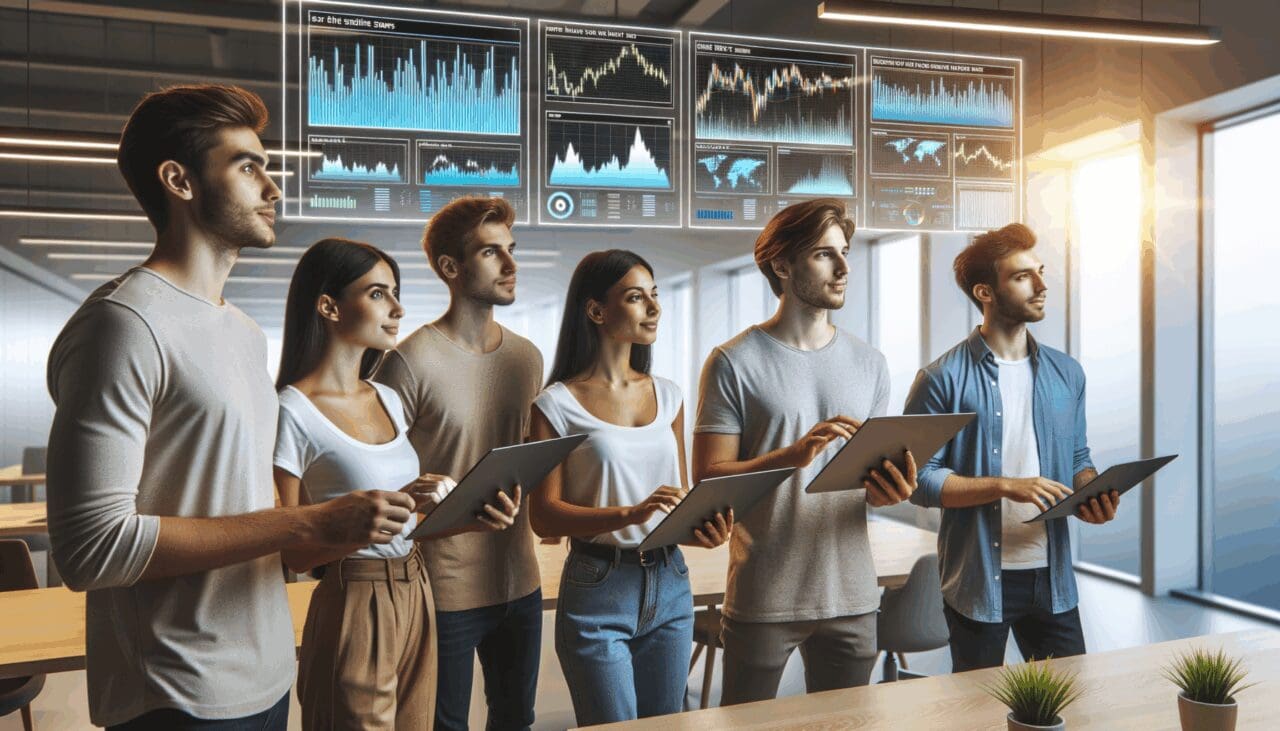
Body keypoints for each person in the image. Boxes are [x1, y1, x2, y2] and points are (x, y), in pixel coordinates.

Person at [45, 85, 415, 730]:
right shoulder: (123, 324)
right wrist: (307, 523)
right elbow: (90, 550)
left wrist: (345, 525)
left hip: (268, 671)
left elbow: (243, 510)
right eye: (247, 166)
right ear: (178, 181)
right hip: (176, 692)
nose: (273, 189)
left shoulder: (244, 332)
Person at [271, 238, 521, 729]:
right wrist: (363, 524)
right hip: (354, 599)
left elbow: (403, 525)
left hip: (418, 589)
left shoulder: (386, 397)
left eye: (395, 292)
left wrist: (465, 519)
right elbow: (291, 553)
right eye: (379, 294)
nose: (398, 308)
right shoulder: (291, 410)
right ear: (328, 306)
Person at [692, 198, 918, 705]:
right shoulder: (733, 362)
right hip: (765, 595)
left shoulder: (871, 363)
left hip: (854, 594)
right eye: (823, 254)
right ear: (782, 264)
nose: (843, 268)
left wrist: (890, 490)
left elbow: (869, 484)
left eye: (845, 252)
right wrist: (789, 457)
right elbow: (708, 480)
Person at [528, 249, 732, 725]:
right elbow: (544, 515)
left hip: (670, 582)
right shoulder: (555, 405)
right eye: (637, 298)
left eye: (655, 296)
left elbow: (675, 502)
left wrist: (703, 528)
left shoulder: (670, 395)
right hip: (598, 586)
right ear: (596, 311)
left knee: (666, 724)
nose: (654, 309)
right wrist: (629, 513)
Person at [904, 222, 1120, 671]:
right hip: (978, 581)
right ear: (985, 292)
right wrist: (1005, 486)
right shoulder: (941, 378)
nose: (1042, 286)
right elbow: (919, 480)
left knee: (1069, 705)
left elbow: (1078, 457)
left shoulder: (1068, 373)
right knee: (977, 710)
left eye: (1039, 272)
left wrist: (1091, 490)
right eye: (1023, 277)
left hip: (1052, 576)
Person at [374, 196, 544, 731]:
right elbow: (379, 471)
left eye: (511, 250)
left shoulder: (527, 357)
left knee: (517, 720)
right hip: (444, 588)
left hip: (521, 580)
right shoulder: (407, 362)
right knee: (442, 725)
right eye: (492, 253)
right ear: (451, 268)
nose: (511, 264)